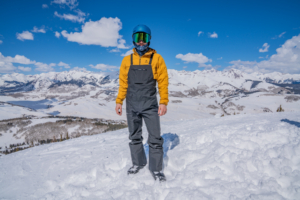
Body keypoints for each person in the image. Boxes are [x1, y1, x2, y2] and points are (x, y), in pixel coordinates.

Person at [115, 24, 169, 182]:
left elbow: (163, 82)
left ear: (149, 40)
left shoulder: (157, 59)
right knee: (134, 136)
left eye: (144, 38)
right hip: (132, 105)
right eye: (137, 38)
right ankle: (138, 163)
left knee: (155, 137)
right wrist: (119, 101)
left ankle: (156, 169)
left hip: (150, 104)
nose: (140, 42)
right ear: (132, 39)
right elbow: (123, 83)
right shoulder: (127, 60)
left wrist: (163, 102)